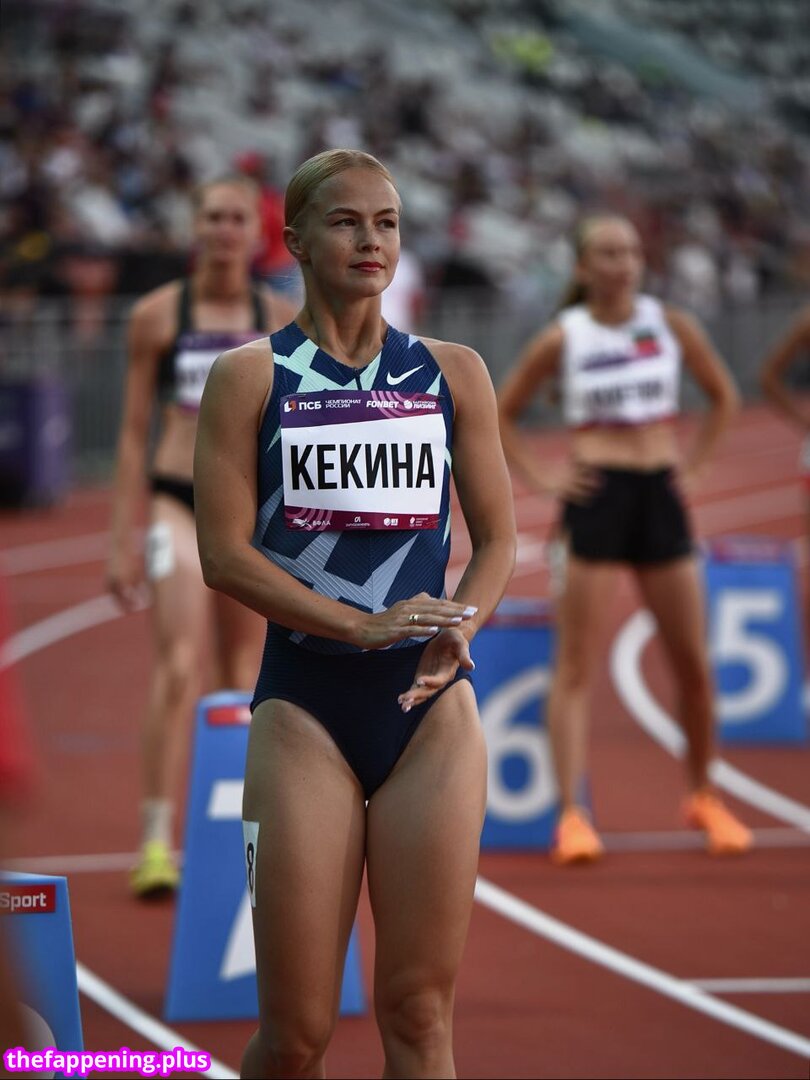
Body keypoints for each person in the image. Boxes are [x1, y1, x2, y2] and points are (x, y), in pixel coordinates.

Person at [194, 149, 516, 1080]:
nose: (371, 240)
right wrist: (354, 626)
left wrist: (461, 624)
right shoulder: (250, 377)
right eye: (345, 222)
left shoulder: (452, 372)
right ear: (294, 241)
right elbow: (223, 556)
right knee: (296, 1036)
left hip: (429, 710)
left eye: (387, 223)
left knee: (419, 1015)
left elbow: (499, 540)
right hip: (306, 705)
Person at [497, 214, 753, 865]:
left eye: (632, 252)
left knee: (692, 663)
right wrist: (544, 478)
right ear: (583, 268)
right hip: (597, 499)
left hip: (658, 498)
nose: (623, 264)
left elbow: (723, 395)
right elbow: (501, 410)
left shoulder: (670, 324)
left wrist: (695, 467)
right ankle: (572, 815)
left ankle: (704, 795)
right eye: (608, 254)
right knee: (576, 666)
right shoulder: (564, 335)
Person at [106, 175, 296, 898]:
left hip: (246, 511)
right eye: (212, 216)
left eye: (236, 218)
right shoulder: (157, 315)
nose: (223, 229)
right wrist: (119, 539)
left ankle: (237, 843)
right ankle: (156, 839)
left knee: (243, 672)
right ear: (195, 226)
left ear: (256, 231)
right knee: (178, 664)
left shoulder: (280, 318)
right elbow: (132, 433)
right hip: (174, 501)